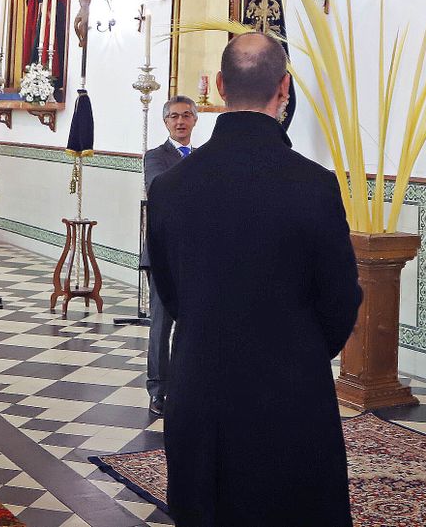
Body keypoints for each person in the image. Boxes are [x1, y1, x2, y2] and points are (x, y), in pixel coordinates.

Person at [147, 32, 362, 527]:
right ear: (284, 89)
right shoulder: (315, 184)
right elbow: (340, 299)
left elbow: (171, 289)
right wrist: (300, 350)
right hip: (291, 392)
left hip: (201, 384)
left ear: (220, 87)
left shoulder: (171, 187)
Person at [140, 94, 198, 417]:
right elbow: (159, 191)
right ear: (165, 122)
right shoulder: (155, 157)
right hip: (163, 256)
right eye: (174, 116)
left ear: (194, 121)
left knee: (191, 326)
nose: (180, 121)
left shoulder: (204, 157)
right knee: (161, 326)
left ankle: (184, 386)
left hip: (194, 258)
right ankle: (158, 390)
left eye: (186, 115)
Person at [18, 0, 68, 95]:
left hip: (50, 19)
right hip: (40, 17)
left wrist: (50, 10)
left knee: (49, 46)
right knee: (36, 45)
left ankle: (53, 78)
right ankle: (36, 77)